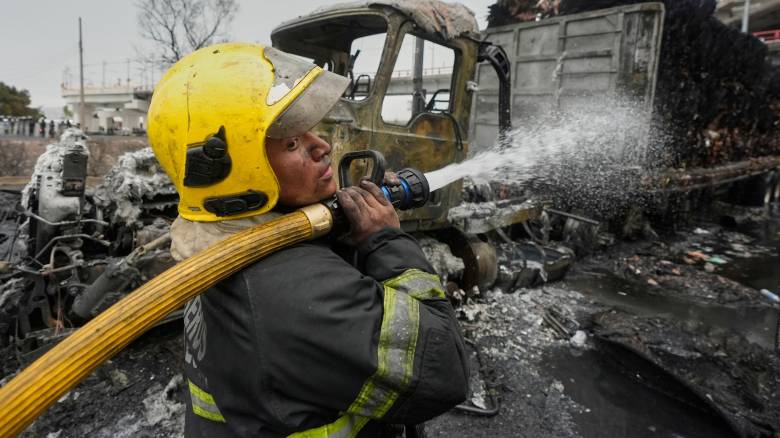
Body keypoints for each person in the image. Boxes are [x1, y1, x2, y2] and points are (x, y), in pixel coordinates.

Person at [148, 43, 468, 438]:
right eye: (292, 143)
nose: (323, 146)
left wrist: (348, 234)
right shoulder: (288, 291)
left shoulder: (220, 243)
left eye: (310, 132)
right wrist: (385, 241)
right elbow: (443, 369)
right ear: (238, 170)